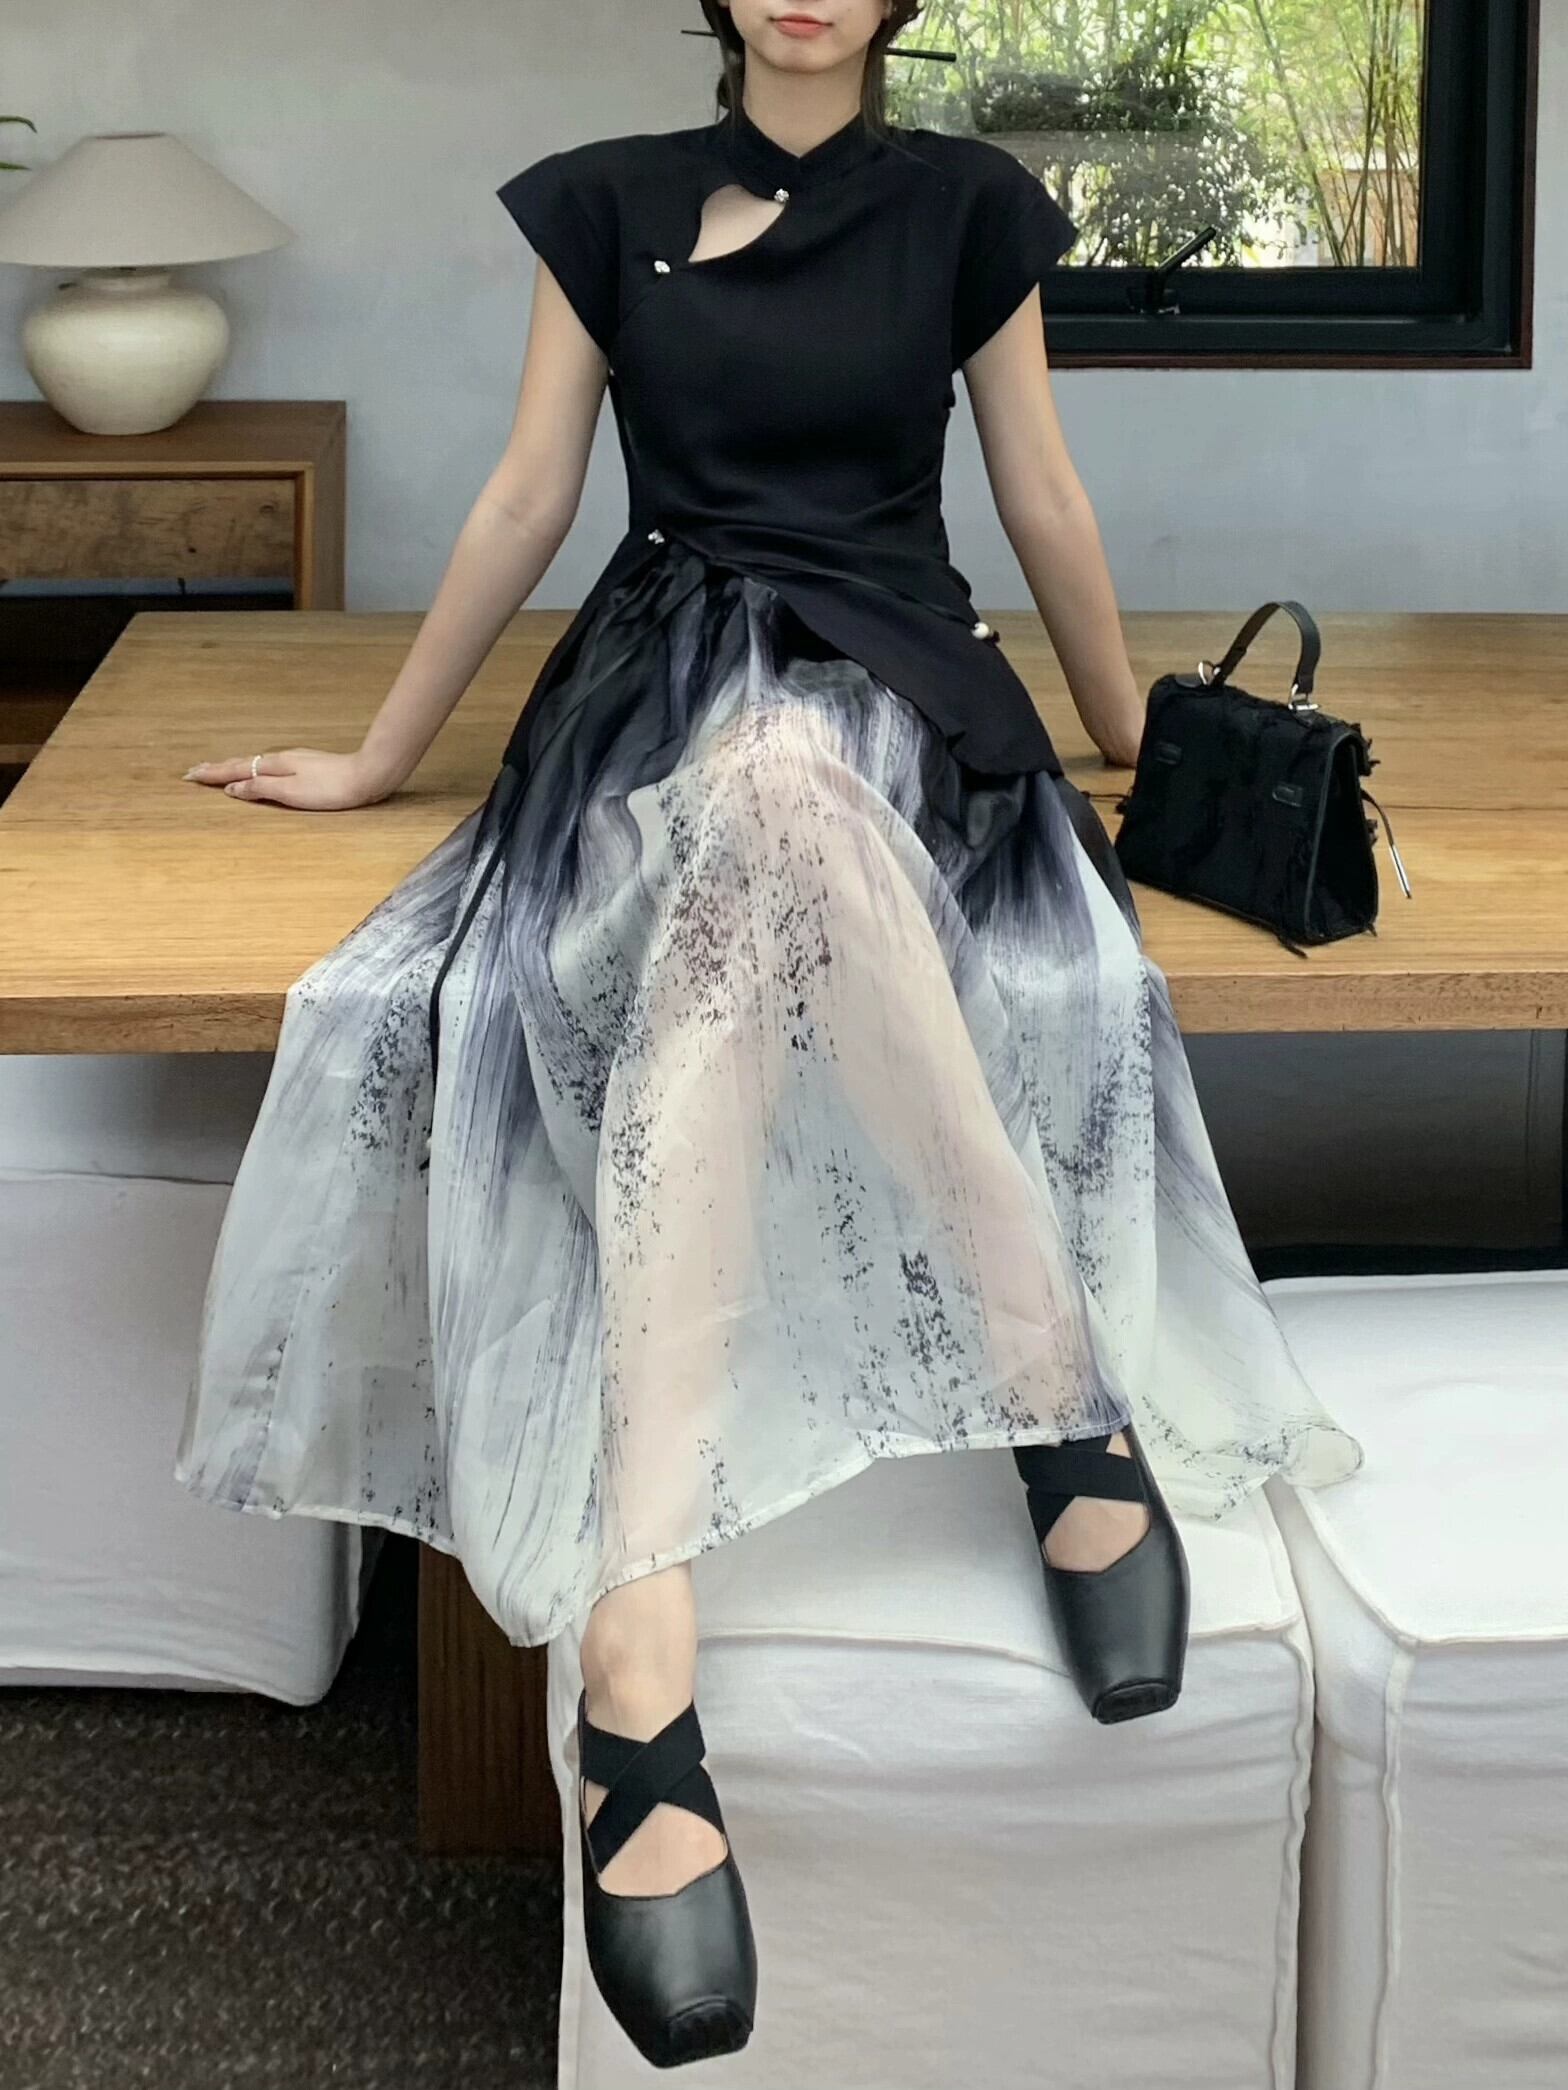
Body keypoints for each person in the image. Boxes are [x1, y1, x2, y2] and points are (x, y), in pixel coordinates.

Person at [177, 0, 1363, 2069]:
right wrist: (377, 758)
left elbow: (1042, 492)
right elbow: (526, 499)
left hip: (897, 670)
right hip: (656, 680)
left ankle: (638, 1639)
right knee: (757, 819)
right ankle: (1045, 1372)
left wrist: (1129, 738)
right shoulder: (602, 202)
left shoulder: (969, 205)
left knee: (797, 805)